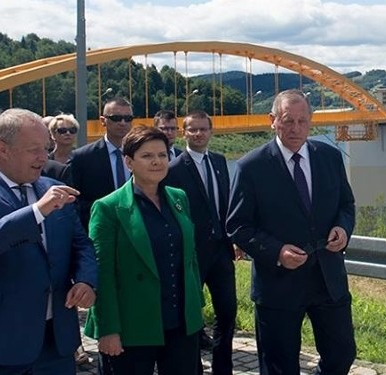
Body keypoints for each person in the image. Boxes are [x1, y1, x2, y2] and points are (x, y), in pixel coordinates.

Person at [0, 108, 97, 374]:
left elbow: (80, 243)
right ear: (3, 149)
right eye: (34, 149)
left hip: (55, 342)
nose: (43, 157)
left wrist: (86, 279)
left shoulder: (53, 188)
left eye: (46, 148)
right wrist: (37, 211)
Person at [227, 90, 357, 375]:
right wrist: (277, 252)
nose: (295, 129)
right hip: (278, 285)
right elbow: (237, 225)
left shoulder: (329, 157)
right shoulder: (251, 166)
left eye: (302, 121)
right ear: (273, 120)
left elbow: (346, 205)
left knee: (342, 354)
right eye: (288, 121)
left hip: (327, 279)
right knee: (279, 366)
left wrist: (342, 228)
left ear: (311, 121)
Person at [85, 126, 203, 375]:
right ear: (129, 162)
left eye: (162, 155)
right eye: (147, 156)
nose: (157, 162)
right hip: (133, 324)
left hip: (180, 321)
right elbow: (103, 273)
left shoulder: (179, 198)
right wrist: (108, 329)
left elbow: (190, 257)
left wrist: (196, 307)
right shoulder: (108, 207)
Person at [165, 110, 235, 374]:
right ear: (184, 133)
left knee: (227, 312)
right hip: (191, 253)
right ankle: (193, 367)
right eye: (192, 129)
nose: (198, 134)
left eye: (203, 129)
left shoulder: (219, 161)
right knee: (192, 317)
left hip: (221, 250)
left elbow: (225, 204)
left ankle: (222, 368)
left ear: (211, 131)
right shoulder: (173, 169)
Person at [68, 97, 134, 231]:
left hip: (136, 228)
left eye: (128, 118)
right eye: (116, 118)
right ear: (103, 121)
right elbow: (74, 201)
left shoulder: (141, 154)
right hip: (99, 228)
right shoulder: (82, 157)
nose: (122, 123)